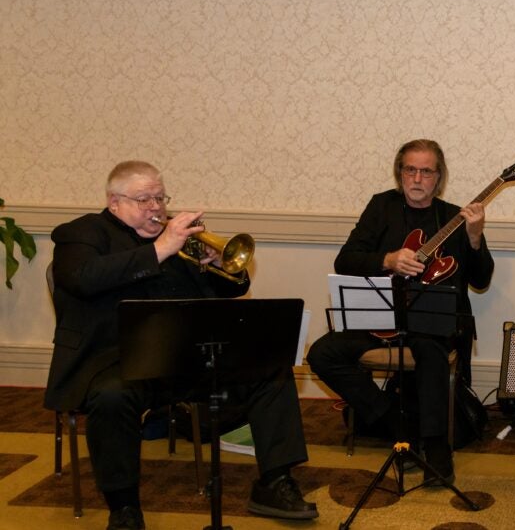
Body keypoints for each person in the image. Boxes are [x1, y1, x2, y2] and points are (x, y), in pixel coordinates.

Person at [43, 161, 318, 530]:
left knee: (271, 369)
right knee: (111, 398)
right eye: (143, 199)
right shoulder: (80, 234)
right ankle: (123, 507)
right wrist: (159, 249)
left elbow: (232, 290)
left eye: (159, 197)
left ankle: (274, 482)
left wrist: (225, 267)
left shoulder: (180, 238)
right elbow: (82, 279)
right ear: (114, 203)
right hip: (114, 361)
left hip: (189, 354)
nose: (155, 207)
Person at [307, 139, 494, 486]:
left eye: (427, 171)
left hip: (428, 323)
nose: (418, 178)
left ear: (438, 178)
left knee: (430, 352)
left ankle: (437, 452)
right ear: (400, 173)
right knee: (322, 353)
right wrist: (387, 260)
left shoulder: (453, 218)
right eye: (411, 169)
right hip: (379, 316)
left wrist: (475, 237)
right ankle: (398, 424)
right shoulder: (381, 207)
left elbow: (481, 279)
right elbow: (345, 260)